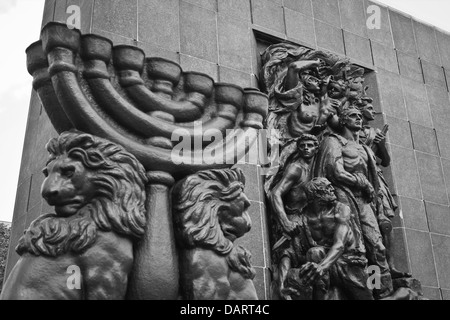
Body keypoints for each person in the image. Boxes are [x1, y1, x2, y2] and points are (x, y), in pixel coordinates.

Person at [313, 104, 393, 299]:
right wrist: (361, 182)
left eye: (359, 115)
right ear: (342, 120)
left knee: (378, 248)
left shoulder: (365, 147)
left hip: (365, 201)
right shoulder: (333, 141)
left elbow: (381, 167)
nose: (358, 118)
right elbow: (334, 170)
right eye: (353, 115)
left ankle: (380, 290)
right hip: (343, 197)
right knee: (356, 252)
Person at [294, 177, 373, 300]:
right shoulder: (304, 217)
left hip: (349, 262)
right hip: (324, 264)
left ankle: (404, 294)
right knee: (314, 253)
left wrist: (321, 267)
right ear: (317, 194)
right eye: (328, 188)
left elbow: (340, 244)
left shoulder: (341, 209)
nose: (332, 189)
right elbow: (298, 250)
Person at [358, 100, 411, 279]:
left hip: (377, 179)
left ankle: (390, 266)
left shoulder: (376, 132)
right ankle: (371, 273)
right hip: (359, 178)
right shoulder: (350, 131)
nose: (373, 111)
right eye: (369, 108)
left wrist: (380, 145)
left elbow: (386, 161)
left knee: (385, 224)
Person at [267, 134, 319, 299]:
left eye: (310, 145)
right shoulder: (296, 168)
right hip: (292, 217)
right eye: (302, 145)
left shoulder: (317, 168)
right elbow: (275, 193)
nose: (306, 148)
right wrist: (285, 221)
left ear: (316, 148)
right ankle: (281, 289)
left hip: (309, 220)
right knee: (287, 253)